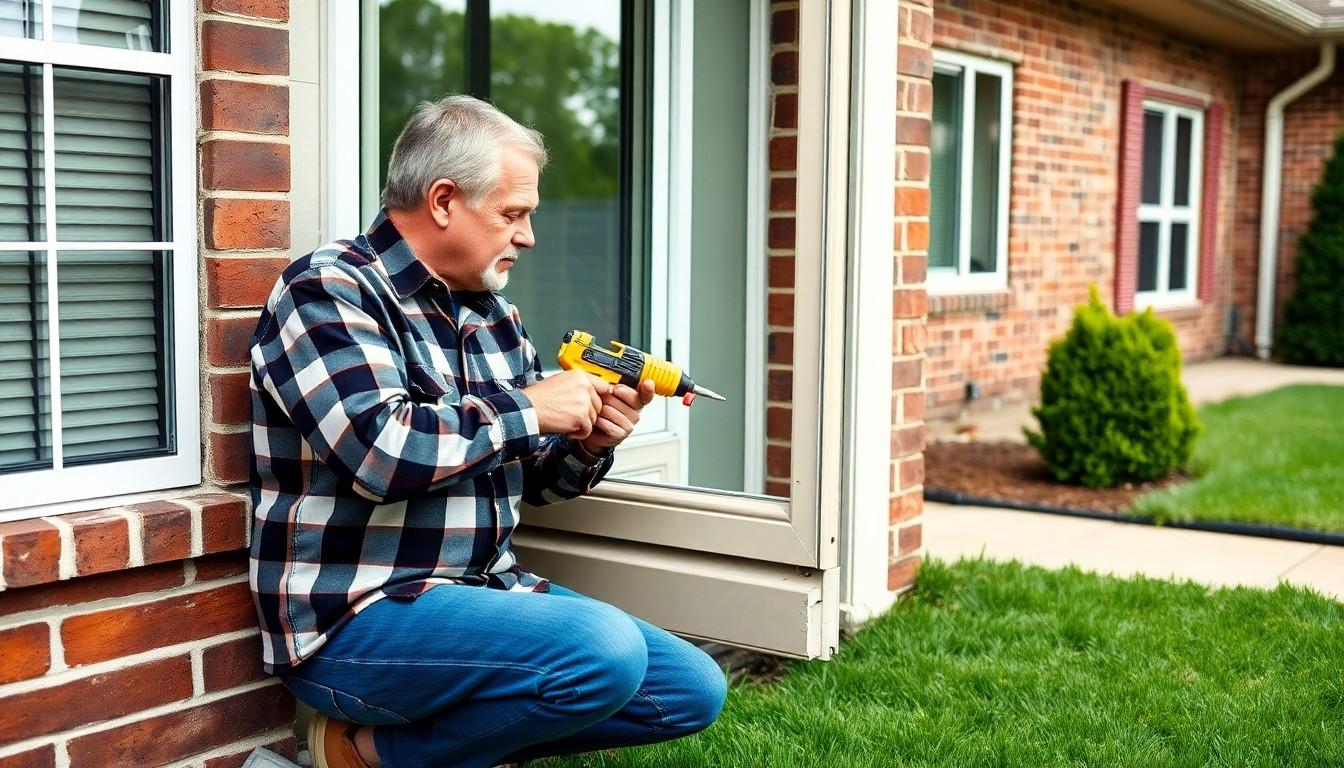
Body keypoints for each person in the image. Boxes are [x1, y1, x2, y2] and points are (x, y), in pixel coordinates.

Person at [247, 95, 727, 768]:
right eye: (513, 214)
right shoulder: (329, 289)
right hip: (354, 618)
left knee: (689, 690)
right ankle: (367, 752)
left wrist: (589, 443)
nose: (528, 236)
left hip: (482, 593)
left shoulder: (496, 317)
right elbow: (379, 453)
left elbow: (535, 482)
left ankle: (387, 753)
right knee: (602, 650)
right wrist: (530, 406)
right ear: (444, 200)